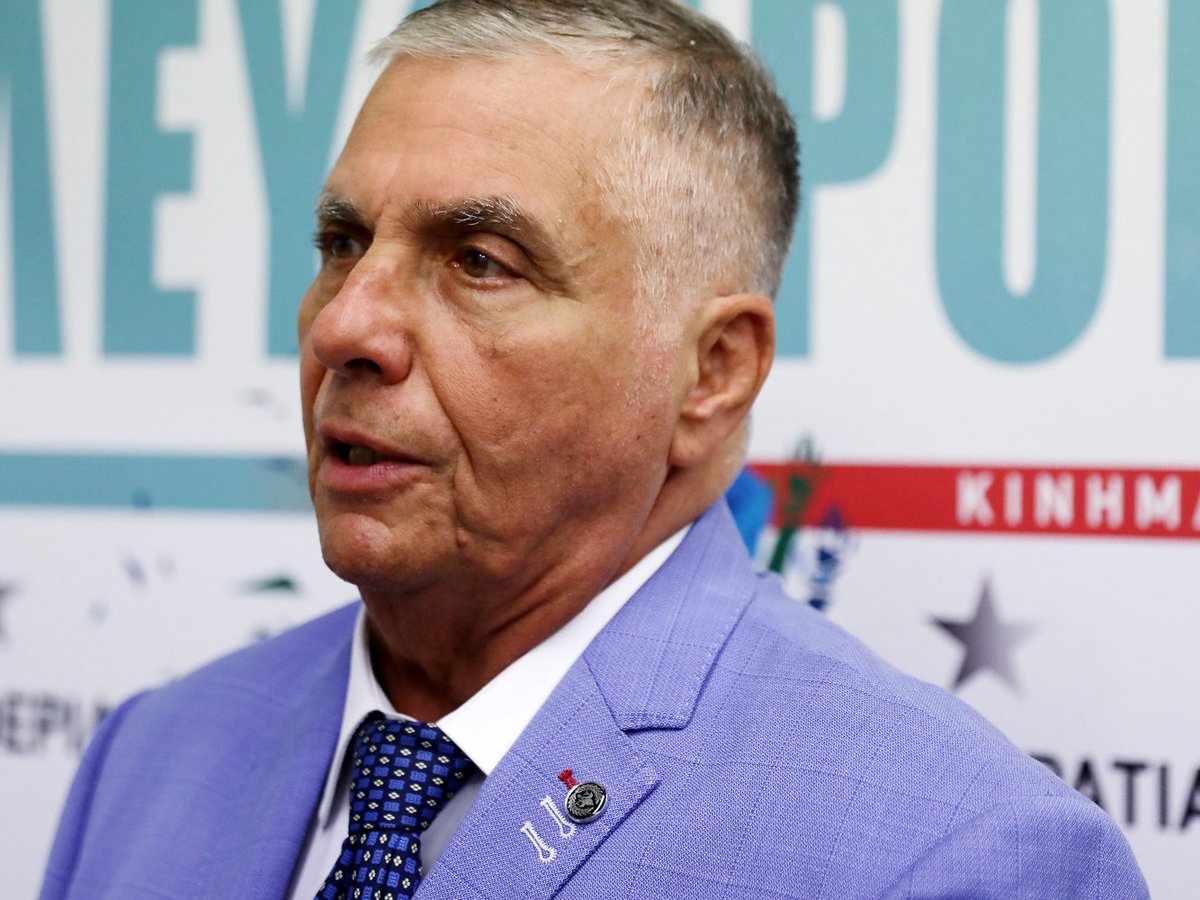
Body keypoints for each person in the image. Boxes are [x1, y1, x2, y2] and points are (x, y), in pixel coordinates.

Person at [40, 1, 1148, 897]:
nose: (343, 325)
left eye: (479, 260)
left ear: (712, 374)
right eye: (343, 242)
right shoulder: (151, 757)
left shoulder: (959, 857)